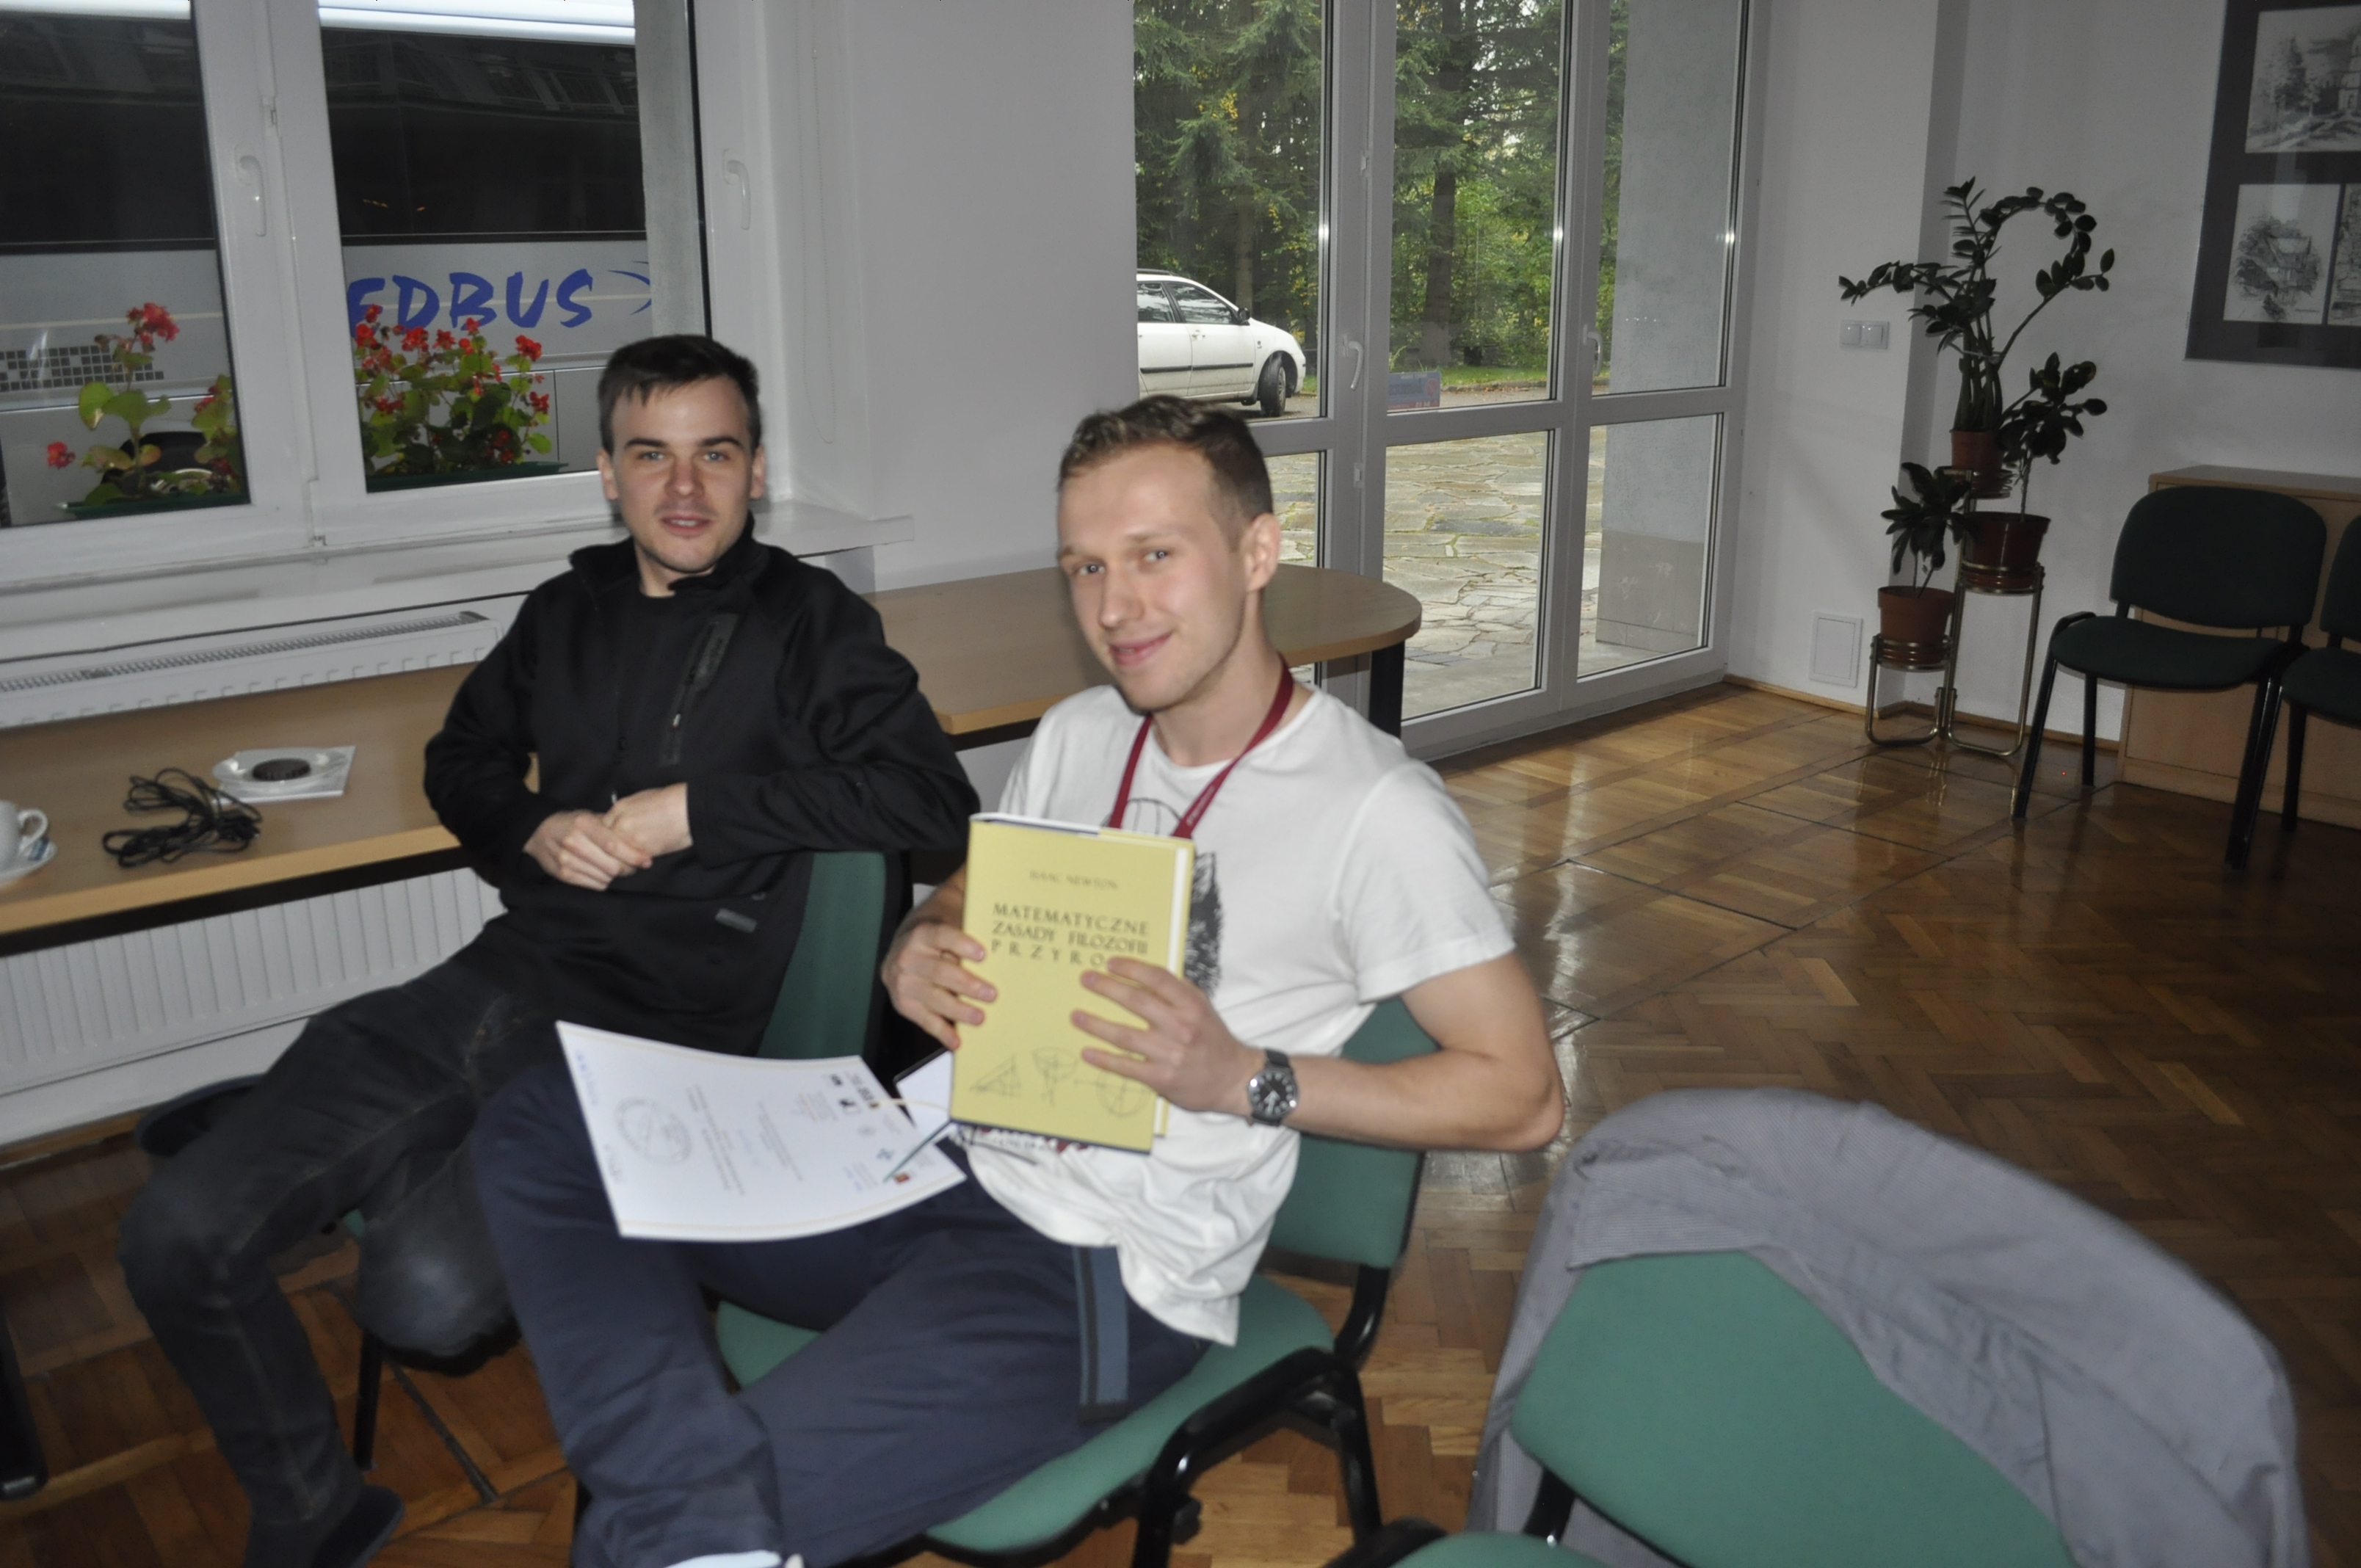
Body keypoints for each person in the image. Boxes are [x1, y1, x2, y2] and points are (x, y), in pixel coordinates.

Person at [473, 394, 1564, 1568]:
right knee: (547, 1114)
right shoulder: (1081, 733)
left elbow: (1522, 1096)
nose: (1114, 607)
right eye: (1085, 566)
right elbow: (968, 891)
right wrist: (917, 942)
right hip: (938, 1161)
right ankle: (697, 1495)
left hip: (1101, 1267)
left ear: (1258, 551)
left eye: (1154, 555)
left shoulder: (1374, 810)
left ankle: (690, 1518)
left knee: (646, 1547)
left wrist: (1243, 1078)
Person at [115, 335, 979, 1568]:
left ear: (757, 470)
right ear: (609, 475)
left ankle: (420, 1162)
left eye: (716, 454)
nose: (686, 487)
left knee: (418, 1297)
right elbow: (458, 760)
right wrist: (530, 825)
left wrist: (699, 812)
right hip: (497, 982)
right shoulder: (564, 610)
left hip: (651, 1042)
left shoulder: (811, 624)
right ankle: (312, 1504)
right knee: (174, 1232)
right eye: (651, 455)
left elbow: (930, 796)